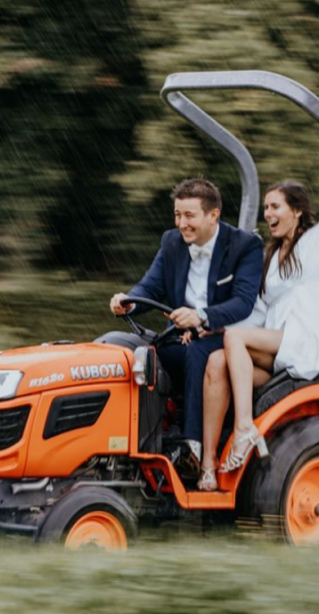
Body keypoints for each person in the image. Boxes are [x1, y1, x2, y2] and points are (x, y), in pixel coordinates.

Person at [197, 97, 319, 491]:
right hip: (277, 348)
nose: (268, 214)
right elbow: (257, 314)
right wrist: (209, 324)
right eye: (266, 207)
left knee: (236, 339)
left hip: (304, 344)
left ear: (297, 210)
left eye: (275, 206)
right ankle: (208, 465)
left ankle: (245, 428)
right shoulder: (271, 258)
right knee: (217, 360)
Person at [110, 177, 263, 476]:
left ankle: (193, 449)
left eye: (189, 215)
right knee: (138, 355)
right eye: (178, 215)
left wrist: (201, 316)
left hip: (223, 334)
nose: (182, 223)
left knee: (197, 352)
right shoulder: (171, 242)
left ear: (213, 215)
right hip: (181, 335)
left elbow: (243, 302)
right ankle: (135, 439)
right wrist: (129, 302)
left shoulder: (245, 246)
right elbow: (150, 287)